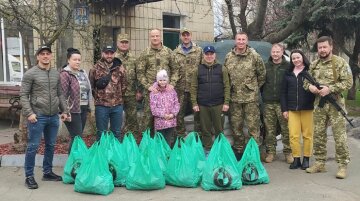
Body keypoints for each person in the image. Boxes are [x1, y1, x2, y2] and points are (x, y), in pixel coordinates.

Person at [20, 46, 68, 189]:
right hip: (37, 116)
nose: (45, 56)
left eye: (48, 54)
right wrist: (29, 113)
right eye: (42, 54)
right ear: (38, 57)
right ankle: (29, 176)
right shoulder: (30, 74)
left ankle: (47, 172)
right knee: (33, 146)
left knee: (51, 145)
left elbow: (60, 94)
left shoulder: (55, 73)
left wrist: (64, 110)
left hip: (53, 116)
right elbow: (23, 95)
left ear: (51, 56)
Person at [304, 36, 353, 179]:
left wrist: (330, 88)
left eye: (325, 47)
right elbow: (305, 82)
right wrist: (311, 87)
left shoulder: (340, 63)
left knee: (339, 136)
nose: (322, 50)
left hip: (335, 104)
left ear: (331, 47)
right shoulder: (314, 64)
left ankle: (342, 165)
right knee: (318, 134)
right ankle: (320, 163)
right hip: (319, 105)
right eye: (320, 48)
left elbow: (348, 83)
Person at [223, 32, 266, 160]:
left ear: (247, 41)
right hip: (234, 98)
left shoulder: (254, 56)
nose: (241, 42)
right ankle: (239, 152)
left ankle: (254, 153)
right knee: (236, 127)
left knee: (253, 126)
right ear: (235, 41)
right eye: (239, 39)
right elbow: (225, 76)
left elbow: (262, 74)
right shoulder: (229, 56)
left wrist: (253, 88)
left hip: (250, 99)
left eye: (243, 39)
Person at [137, 28, 179, 135]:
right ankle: (149, 147)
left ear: (161, 37)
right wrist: (148, 86)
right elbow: (140, 73)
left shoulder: (168, 52)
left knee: (167, 121)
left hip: (166, 94)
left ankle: (167, 147)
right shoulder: (145, 53)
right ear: (150, 37)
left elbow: (176, 69)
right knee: (148, 121)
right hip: (152, 93)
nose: (155, 38)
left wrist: (172, 84)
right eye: (152, 36)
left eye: (157, 36)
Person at [190, 46, 230, 154]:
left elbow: (227, 86)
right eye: (207, 54)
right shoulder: (197, 69)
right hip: (203, 104)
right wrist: (194, 103)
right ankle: (208, 149)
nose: (209, 56)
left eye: (211, 54)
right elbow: (193, 87)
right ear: (204, 55)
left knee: (219, 129)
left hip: (218, 104)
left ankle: (220, 150)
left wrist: (226, 102)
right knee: (205, 129)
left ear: (214, 55)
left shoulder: (222, 68)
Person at [281, 49, 315, 170]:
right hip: (292, 109)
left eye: (298, 57)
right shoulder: (288, 73)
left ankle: (306, 159)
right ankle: (296, 159)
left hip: (307, 108)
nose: (296, 60)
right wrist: (284, 109)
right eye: (293, 58)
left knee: (307, 135)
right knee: (293, 135)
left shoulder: (310, 71)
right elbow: (283, 92)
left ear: (302, 57)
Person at [261, 43, 293, 164]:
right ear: (271, 53)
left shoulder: (288, 66)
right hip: (268, 102)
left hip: (283, 104)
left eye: (277, 52)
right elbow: (261, 83)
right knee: (270, 130)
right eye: (273, 52)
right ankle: (271, 152)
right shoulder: (265, 66)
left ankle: (288, 152)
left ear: (282, 52)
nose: (275, 54)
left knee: (286, 129)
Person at [89, 45, 127, 140]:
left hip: (117, 106)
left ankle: (115, 154)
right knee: (101, 133)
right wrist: (99, 98)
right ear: (102, 54)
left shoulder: (120, 68)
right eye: (107, 53)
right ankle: (101, 154)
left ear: (115, 54)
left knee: (117, 133)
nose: (109, 55)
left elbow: (124, 85)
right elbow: (91, 86)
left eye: (111, 53)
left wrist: (118, 98)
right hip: (101, 106)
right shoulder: (95, 68)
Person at [60, 48, 91, 153]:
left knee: (77, 137)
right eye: (75, 59)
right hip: (72, 110)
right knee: (77, 137)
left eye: (79, 59)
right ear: (68, 60)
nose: (77, 62)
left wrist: (88, 107)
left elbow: (88, 91)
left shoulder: (82, 73)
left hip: (83, 108)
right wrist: (65, 111)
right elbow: (62, 94)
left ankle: (75, 162)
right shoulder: (65, 74)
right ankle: (72, 163)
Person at [173, 28, 203, 137]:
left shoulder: (198, 51)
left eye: (188, 35)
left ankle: (197, 137)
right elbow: (173, 69)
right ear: (181, 36)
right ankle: (180, 137)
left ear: (191, 36)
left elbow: (203, 67)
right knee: (179, 113)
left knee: (197, 113)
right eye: (183, 35)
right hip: (180, 89)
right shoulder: (175, 52)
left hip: (195, 88)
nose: (186, 37)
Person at [115, 33, 141, 141]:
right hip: (116, 94)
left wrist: (139, 90)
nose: (124, 44)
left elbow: (138, 75)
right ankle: (117, 143)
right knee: (117, 120)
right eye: (122, 42)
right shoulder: (113, 57)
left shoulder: (134, 58)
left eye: (126, 42)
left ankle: (132, 143)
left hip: (131, 93)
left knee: (132, 119)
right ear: (117, 43)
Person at [150, 70, 180, 146]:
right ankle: (162, 156)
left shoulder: (172, 90)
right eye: (160, 80)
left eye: (164, 80)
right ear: (157, 80)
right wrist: (163, 115)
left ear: (167, 80)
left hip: (171, 121)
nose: (162, 82)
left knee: (169, 139)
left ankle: (168, 156)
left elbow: (176, 103)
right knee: (161, 141)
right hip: (160, 122)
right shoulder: (154, 92)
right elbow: (153, 108)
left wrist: (173, 114)